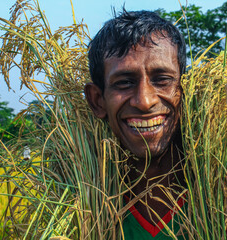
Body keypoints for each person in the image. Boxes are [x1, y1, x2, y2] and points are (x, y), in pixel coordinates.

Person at [84, 10, 187, 239]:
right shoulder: (83, 210)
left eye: (162, 80)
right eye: (124, 83)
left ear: (185, 90)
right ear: (97, 101)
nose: (144, 101)